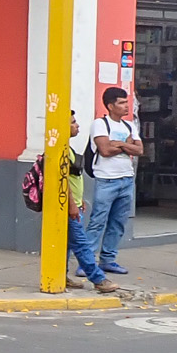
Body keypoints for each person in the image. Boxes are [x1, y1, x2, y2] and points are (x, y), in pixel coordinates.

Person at [85, 87, 142, 278]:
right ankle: (88, 261)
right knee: (98, 221)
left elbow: (139, 150)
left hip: (126, 178)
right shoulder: (100, 124)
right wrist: (128, 146)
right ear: (110, 106)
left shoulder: (129, 126)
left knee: (118, 222)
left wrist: (120, 144)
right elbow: (105, 150)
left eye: (126, 102)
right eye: (121, 102)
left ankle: (108, 259)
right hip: (106, 179)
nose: (126, 106)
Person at [64, 112, 114, 293]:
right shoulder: (60, 151)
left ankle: (61, 275)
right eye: (73, 123)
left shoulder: (67, 149)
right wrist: (71, 204)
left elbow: (73, 179)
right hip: (69, 207)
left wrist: (79, 200)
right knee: (81, 244)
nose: (77, 126)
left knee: (68, 244)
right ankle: (98, 279)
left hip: (75, 204)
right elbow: (62, 181)